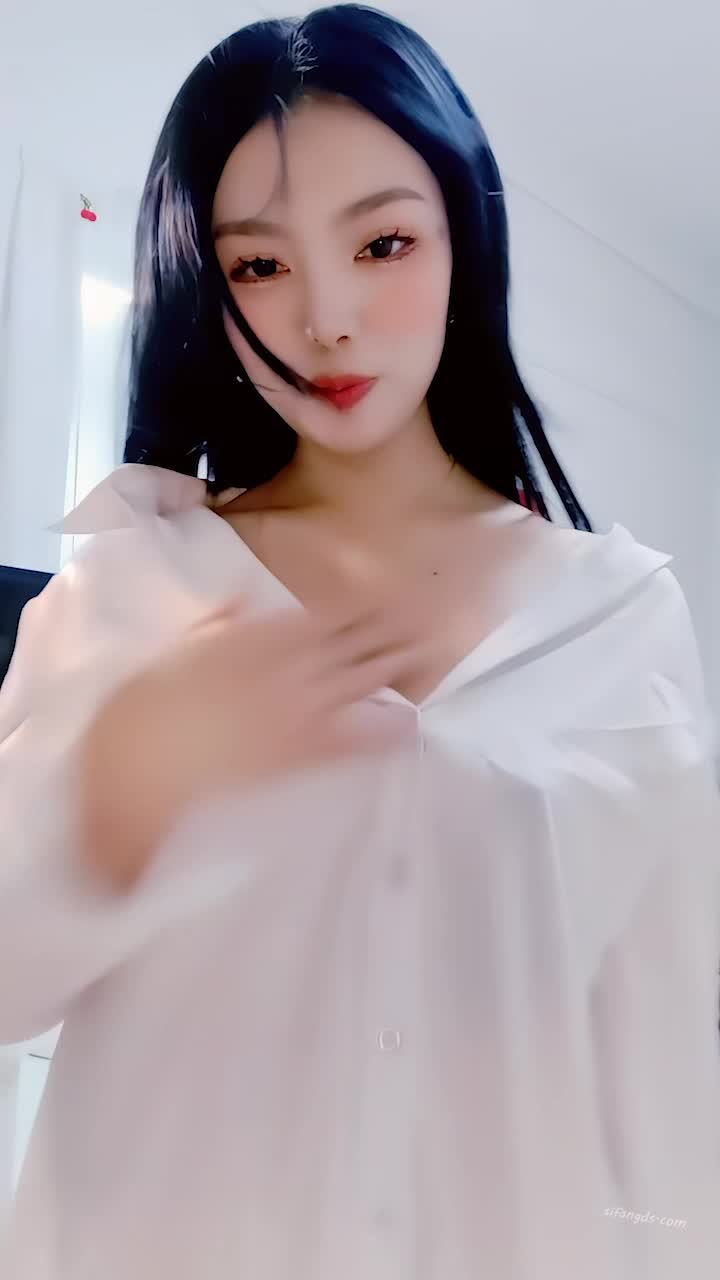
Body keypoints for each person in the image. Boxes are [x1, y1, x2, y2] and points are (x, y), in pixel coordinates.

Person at [1, 6, 718, 1278]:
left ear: (463, 237)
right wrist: (119, 790)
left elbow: (661, 1075)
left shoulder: (623, 616)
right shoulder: (128, 587)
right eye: (260, 266)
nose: (327, 318)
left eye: (382, 243)